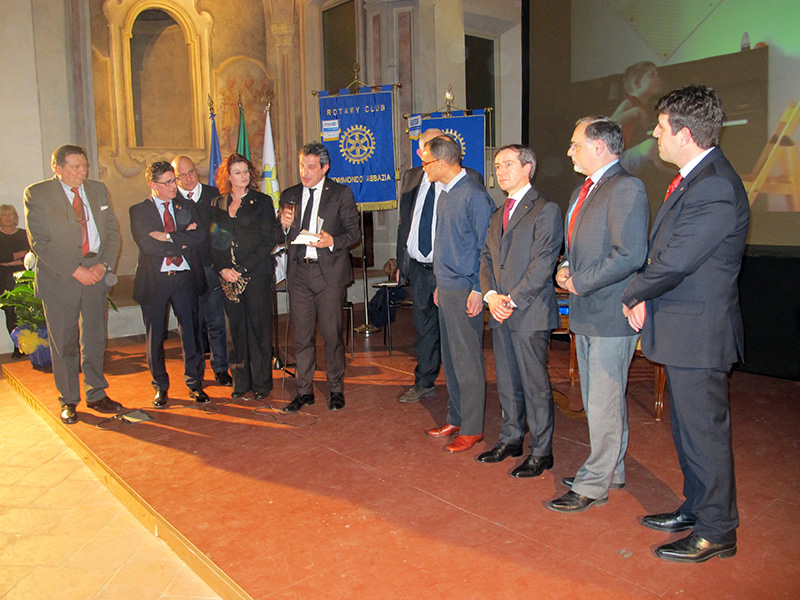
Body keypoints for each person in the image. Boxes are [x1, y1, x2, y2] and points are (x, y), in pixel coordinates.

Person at [622, 85, 750, 563]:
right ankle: (697, 507)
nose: (655, 135)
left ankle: (717, 530)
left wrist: (633, 292)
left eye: (661, 128)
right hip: (685, 330)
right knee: (688, 431)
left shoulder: (714, 185)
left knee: (704, 434)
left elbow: (677, 260)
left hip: (700, 333)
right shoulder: (695, 179)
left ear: (686, 134)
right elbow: (668, 254)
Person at [548, 117, 648, 512]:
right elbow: (575, 249)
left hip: (610, 313)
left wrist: (580, 281)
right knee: (596, 401)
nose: (569, 151)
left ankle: (593, 485)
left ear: (599, 147)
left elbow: (629, 254)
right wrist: (564, 269)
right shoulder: (582, 191)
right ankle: (613, 470)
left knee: (603, 402)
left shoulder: (626, 188)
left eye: (575, 144)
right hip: (586, 310)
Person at [478, 144, 563, 475]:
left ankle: (542, 451)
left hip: (529, 311)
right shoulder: (497, 213)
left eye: (508, 164)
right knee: (507, 381)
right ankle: (511, 438)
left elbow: (542, 265)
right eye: (497, 165)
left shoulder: (545, 210)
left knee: (534, 384)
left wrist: (509, 300)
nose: (500, 170)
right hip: (500, 310)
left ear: (528, 168)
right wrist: (490, 296)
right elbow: (486, 258)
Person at [24, 144, 122, 424]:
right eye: (75, 167)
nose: (82, 172)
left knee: (94, 338)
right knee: (64, 342)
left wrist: (103, 265)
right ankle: (68, 399)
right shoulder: (38, 193)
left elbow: (112, 232)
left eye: (84, 166)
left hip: (96, 273)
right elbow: (40, 241)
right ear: (57, 168)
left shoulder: (98, 190)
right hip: (61, 278)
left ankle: (96, 393)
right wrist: (76, 270)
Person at [395, 128, 484, 403]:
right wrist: (401, 261)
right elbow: (405, 221)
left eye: (431, 151)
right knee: (424, 329)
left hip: (453, 272)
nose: (424, 158)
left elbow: (481, 241)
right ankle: (425, 381)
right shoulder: (412, 177)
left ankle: (462, 398)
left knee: (457, 339)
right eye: (423, 149)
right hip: (419, 266)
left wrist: (478, 286)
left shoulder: (469, 182)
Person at [424, 135, 495, 453]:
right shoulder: (445, 194)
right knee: (451, 358)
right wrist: (440, 283)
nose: (423, 168)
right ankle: (456, 417)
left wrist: (478, 288)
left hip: (467, 289)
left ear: (442, 162)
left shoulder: (474, 195)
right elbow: (447, 244)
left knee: (467, 360)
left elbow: (485, 248)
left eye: (426, 162)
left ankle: (473, 428)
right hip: (448, 287)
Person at [278, 142, 361, 412]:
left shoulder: (340, 193)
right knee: (301, 337)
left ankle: (335, 388)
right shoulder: (290, 194)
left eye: (311, 167)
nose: (305, 172)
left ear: (325, 168)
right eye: (302, 166)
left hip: (329, 275)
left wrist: (332, 240)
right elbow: (281, 235)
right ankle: (304, 391)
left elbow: (354, 233)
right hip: (299, 273)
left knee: (332, 335)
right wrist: (282, 224)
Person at [130, 161, 208, 408]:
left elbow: (199, 236)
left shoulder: (187, 205)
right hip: (156, 280)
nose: (174, 186)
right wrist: (181, 242)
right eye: (167, 183)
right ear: (152, 185)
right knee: (155, 335)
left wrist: (166, 236)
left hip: (184, 277)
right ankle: (160, 387)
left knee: (191, 332)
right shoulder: (139, 211)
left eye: (174, 180)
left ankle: (194, 383)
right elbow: (147, 245)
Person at [209, 154, 279, 399]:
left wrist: (242, 269)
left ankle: (261, 384)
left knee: (258, 330)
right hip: (228, 279)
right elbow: (214, 239)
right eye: (237, 172)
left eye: (246, 171)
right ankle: (241, 382)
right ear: (228, 177)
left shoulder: (262, 201)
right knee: (236, 330)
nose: (243, 176)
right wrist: (222, 268)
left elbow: (268, 240)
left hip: (255, 275)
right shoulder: (218, 203)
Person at [171, 155, 232, 387]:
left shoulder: (213, 196)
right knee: (190, 325)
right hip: (185, 270)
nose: (188, 178)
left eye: (191, 172)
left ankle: (221, 368)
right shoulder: (171, 199)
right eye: (182, 175)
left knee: (216, 321)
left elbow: (222, 233)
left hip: (210, 267)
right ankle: (194, 375)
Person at [0, 205, 30, 357]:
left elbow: (30, 256)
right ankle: (17, 347)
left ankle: (29, 345)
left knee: (25, 312)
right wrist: (18, 256)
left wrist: (8, 260)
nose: (8, 218)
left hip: (22, 277)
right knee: (10, 311)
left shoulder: (24, 234)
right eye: (4, 215)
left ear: (15, 217)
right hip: (3, 278)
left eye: (10, 215)